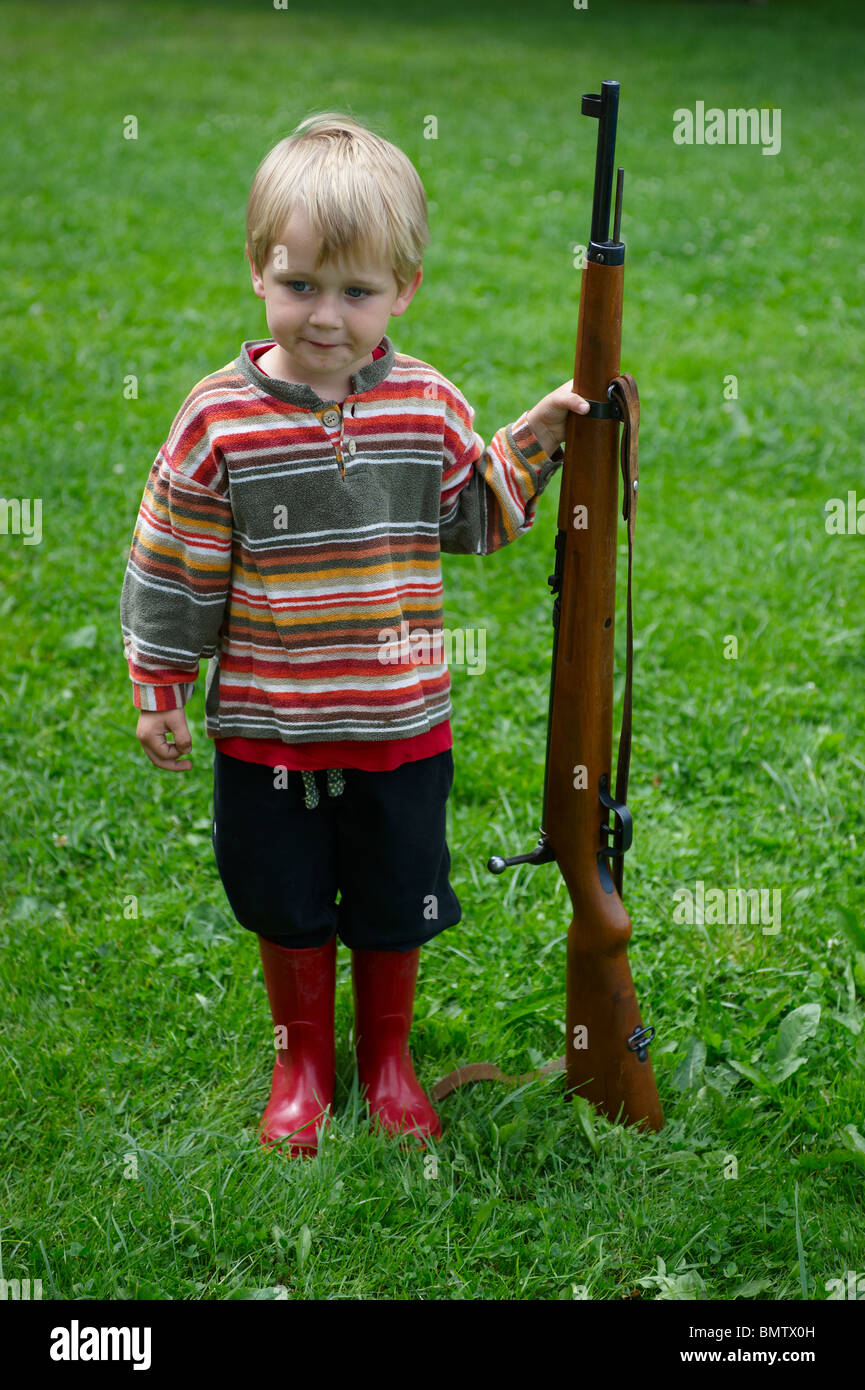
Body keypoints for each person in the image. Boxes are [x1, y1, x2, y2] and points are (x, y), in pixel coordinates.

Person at [120, 112, 589, 1157]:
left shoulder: (424, 403)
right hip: (270, 733)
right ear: (257, 269)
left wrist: (542, 435)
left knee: (392, 898)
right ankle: (302, 1065)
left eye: (357, 292)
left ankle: (386, 1061)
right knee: (283, 897)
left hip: (398, 725)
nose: (325, 317)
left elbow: (474, 512)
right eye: (299, 285)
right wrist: (160, 686)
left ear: (404, 289)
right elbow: (174, 561)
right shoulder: (218, 419)